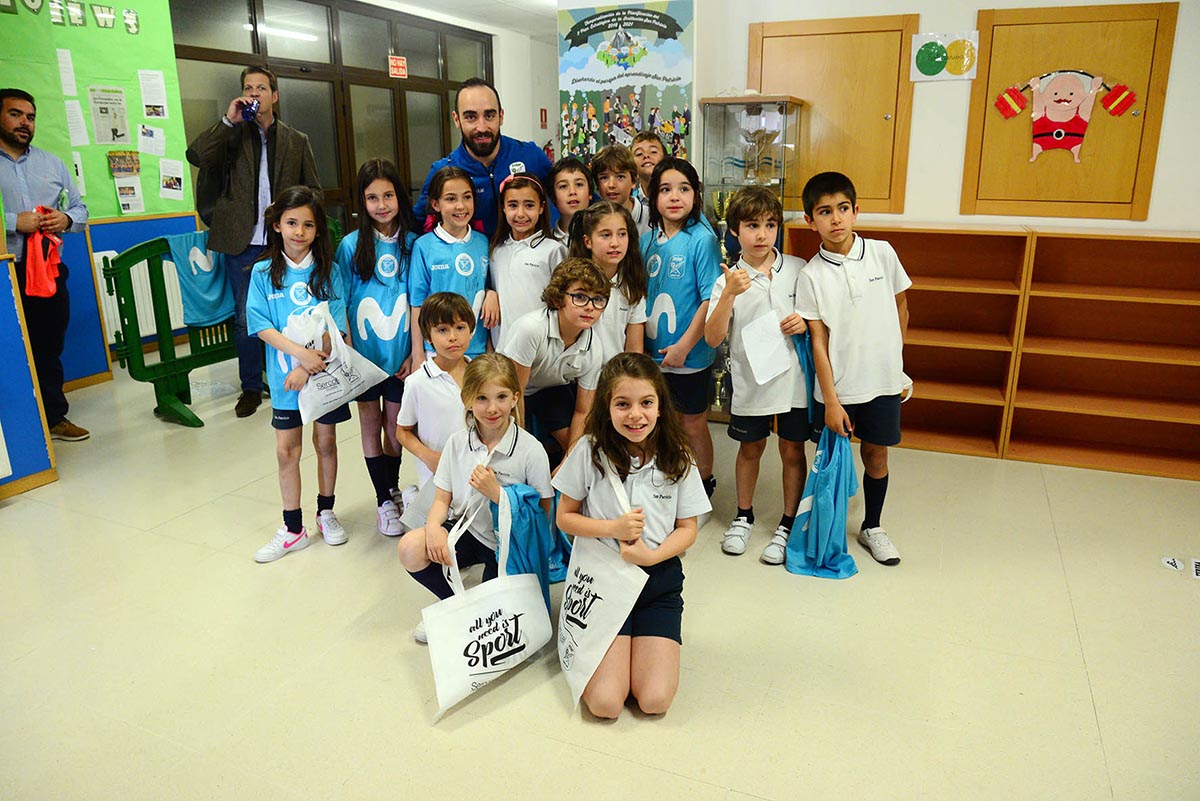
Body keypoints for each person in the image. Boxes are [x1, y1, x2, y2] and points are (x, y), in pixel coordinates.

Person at [553, 353, 711, 718]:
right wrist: (612, 529)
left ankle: (636, 641)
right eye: (622, 404)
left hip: (657, 584)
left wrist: (651, 558)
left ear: (660, 406)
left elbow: (688, 529)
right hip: (603, 581)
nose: (635, 415)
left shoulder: (678, 456)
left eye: (646, 403)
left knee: (654, 700)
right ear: (606, 407)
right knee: (606, 703)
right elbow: (565, 517)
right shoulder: (587, 451)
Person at [186, 66, 320, 418]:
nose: (256, 93)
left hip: (285, 242)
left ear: (275, 96)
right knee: (247, 318)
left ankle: (293, 372)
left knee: (290, 311)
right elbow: (196, 156)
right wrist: (229, 121)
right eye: (249, 87)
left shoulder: (296, 140)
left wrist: (302, 224)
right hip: (242, 243)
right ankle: (250, 386)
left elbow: (315, 191)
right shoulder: (232, 136)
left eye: (263, 87)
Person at [397, 353, 553, 643]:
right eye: (481, 398)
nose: (492, 408)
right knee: (410, 547)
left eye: (501, 397)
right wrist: (433, 529)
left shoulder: (531, 450)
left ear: (516, 398)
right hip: (468, 532)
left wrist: (499, 495)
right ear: (466, 399)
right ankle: (453, 604)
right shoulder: (457, 443)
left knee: (495, 621)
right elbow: (442, 498)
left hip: (508, 545)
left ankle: (471, 608)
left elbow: (543, 513)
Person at [796, 171, 910, 566]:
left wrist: (897, 367)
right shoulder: (811, 275)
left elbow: (901, 309)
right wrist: (830, 400)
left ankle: (872, 526)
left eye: (843, 208)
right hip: (839, 392)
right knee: (833, 464)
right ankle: (826, 525)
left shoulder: (882, 253)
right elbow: (818, 342)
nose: (836, 219)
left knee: (877, 456)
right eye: (825, 212)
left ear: (856, 211)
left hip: (882, 384)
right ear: (811, 221)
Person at [703, 186, 810, 563]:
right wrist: (730, 294)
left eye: (770, 225)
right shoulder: (727, 279)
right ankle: (743, 516)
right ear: (734, 231)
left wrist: (805, 324)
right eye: (751, 226)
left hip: (795, 382)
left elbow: (818, 319)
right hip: (752, 382)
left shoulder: (798, 269)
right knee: (750, 448)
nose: (762, 235)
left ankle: (787, 524)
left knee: (792, 449)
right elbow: (713, 337)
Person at [244, 186, 349, 563]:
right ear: (276, 225)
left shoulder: (329, 271)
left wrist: (311, 364)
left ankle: (326, 512)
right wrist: (300, 357)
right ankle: (292, 528)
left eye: (308, 224)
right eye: (291, 223)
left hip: (322, 379)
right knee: (287, 451)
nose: (299, 231)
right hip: (284, 381)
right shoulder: (262, 273)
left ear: (318, 230)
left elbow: (334, 328)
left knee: (326, 444)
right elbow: (260, 326)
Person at [0, 88, 90, 441]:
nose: (25, 122)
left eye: (31, 116)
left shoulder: (52, 164)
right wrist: (11, 222)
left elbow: (81, 209)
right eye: (15, 114)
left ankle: (54, 417)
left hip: (48, 271)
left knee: (48, 346)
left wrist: (65, 219)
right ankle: (16, 428)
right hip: (5, 273)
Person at [333, 159, 416, 537]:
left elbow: (420, 300)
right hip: (365, 359)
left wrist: (415, 353)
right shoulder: (351, 246)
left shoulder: (415, 244)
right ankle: (383, 499)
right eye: (372, 197)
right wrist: (350, 350)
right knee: (369, 423)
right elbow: (340, 300)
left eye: (388, 195)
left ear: (400, 195)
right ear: (361, 202)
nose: (381, 204)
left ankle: (394, 486)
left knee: (395, 425)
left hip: (401, 358)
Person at [640, 157, 721, 499]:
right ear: (653, 196)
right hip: (653, 356)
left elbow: (709, 300)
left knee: (692, 423)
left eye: (684, 189)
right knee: (657, 422)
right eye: (666, 189)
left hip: (689, 355)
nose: (675, 197)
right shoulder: (647, 240)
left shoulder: (701, 239)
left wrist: (685, 346)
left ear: (696, 194)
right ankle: (668, 487)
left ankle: (703, 488)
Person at [414, 78, 552, 240]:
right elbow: (415, 225)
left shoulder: (531, 156)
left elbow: (565, 198)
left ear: (501, 116)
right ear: (456, 119)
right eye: (471, 117)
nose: (481, 127)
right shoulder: (444, 172)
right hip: (473, 262)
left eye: (489, 115)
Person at [501, 258, 607, 455]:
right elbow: (515, 393)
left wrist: (570, 460)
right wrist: (521, 450)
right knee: (519, 449)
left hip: (552, 391)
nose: (590, 307)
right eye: (580, 297)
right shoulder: (531, 328)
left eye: (598, 299)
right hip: (516, 391)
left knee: (581, 450)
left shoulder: (595, 347)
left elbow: (583, 411)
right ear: (559, 299)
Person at [409, 166, 491, 369]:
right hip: (437, 351)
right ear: (436, 204)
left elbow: (485, 289)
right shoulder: (424, 246)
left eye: (467, 197)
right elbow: (417, 304)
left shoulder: (483, 242)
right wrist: (418, 354)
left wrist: (492, 293)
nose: (461, 206)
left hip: (476, 349)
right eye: (451, 199)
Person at [396, 292, 474, 491]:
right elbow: (402, 431)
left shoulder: (481, 374)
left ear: (471, 331)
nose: (453, 337)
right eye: (442, 330)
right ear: (428, 336)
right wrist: (428, 456)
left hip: (478, 476)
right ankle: (413, 496)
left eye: (460, 327)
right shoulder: (418, 382)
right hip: (437, 480)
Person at [488, 173, 565, 352]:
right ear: (504, 208)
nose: (520, 214)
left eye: (529, 205)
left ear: (541, 207)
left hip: (541, 350)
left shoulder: (553, 250)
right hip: (503, 350)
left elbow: (562, 304)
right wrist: (488, 292)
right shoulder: (496, 250)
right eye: (513, 205)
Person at [567, 200, 647, 360]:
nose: (615, 243)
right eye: (605, 235)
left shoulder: (631, 287)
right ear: (588, 241)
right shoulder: (570, 284)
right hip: (572, 376)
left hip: (614, 377)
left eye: (622, 234)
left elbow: (634, 351)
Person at [590, 145, 651, 239]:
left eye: (620, 177)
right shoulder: (590, 221)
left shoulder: (653, 220)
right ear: (597, 185)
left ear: (634, 181)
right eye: (604, 178)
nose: (611, 185)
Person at [548, 157, 593, 245]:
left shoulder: (602, 238)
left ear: (590, 193)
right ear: (553, 197)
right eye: (563, 186)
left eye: (579, 184)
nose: (572, 192)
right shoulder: (546, 243)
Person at [631, 131, 665, 214]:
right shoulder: (630, 203)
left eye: (653, 151)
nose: (646, 156)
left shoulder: (678, 199)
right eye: (639, 154)